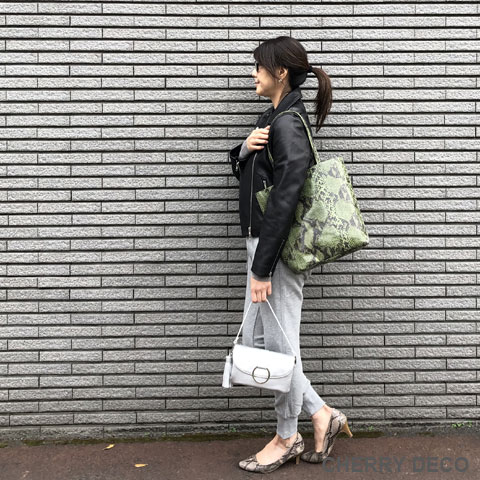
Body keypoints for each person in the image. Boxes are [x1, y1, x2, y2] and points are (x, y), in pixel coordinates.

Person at [228, 36, 353, 474]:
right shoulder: (273, 118)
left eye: (259, 67)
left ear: (280, 72)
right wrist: (244, 149)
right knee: (262, 342)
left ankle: (287, 436)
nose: (253, 74)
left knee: (280, 348)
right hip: (263, 246)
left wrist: (262, 267)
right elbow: (251, 174)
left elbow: (285, 198)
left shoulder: (288, 124)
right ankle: (320, 412)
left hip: (274, 251)